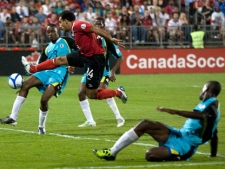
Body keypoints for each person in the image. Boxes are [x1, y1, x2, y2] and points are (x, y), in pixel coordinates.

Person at [93, 81, 221, 161]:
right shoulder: (208, 104)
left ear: (207, 90)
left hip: (185, 146)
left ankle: (178, 155)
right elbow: (213, 133)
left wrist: (174, 111)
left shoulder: (212, 104)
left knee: (150, 155)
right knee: (145, 124)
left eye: (203, 89)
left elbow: (203, 116)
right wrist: (213, 155)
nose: (201, 91)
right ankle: (112, 152)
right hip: (179, 134)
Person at [21, 10, 128, 104]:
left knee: (91, 94)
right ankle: (32, 68)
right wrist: (72, 62)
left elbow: (94, 28)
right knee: (60, 59)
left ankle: (118, 92)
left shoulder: (77, 25)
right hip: (84, 55)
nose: (60, 25)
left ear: (66, 21)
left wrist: (110, 38)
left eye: (60, 22)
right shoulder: (74, 30)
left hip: (95, 59)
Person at [0, 24, 77, 134]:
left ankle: (41, 127)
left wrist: (73, 63)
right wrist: (30, 69)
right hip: (47, 72)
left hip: (60, 73)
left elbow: (80, 52)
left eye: (52, 31)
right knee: (25, 85)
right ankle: (13, 117)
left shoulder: (66, 41)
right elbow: (41, 64)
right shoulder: (47, 48)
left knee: (44, 100)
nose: (50, 34)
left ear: (57, 31)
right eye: (48, 32)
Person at [77, 17, 125, 127]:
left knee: (103, 90)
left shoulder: (107, 40)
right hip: (89, 70)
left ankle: (119, 117)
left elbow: (120, 57)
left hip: (102, 71)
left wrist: (112, 71)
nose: (97, 26)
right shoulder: (88, 37)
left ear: (103, 27)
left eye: (100, 24)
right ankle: (90, 121)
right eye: (95, 24)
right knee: (81, 93)